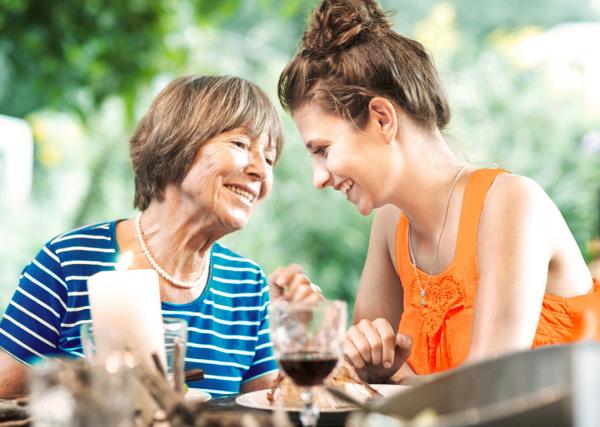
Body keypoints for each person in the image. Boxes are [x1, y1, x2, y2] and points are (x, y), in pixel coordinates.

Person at [277, 0, 600, 383]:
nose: (319, 178)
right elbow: (358, 384)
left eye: (323, 150)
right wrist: (313, 331)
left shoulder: (511, 203)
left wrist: (396, 377)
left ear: (382, 118)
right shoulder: (390, 222)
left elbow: (487, 391)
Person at [0, 75, 320, 398]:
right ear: (177, 142)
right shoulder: (69, 262)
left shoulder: (248, 285)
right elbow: (4, 394)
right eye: (240, 144)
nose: (262, 171)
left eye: (269, 158)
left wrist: (291, 335)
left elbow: (267, 412)